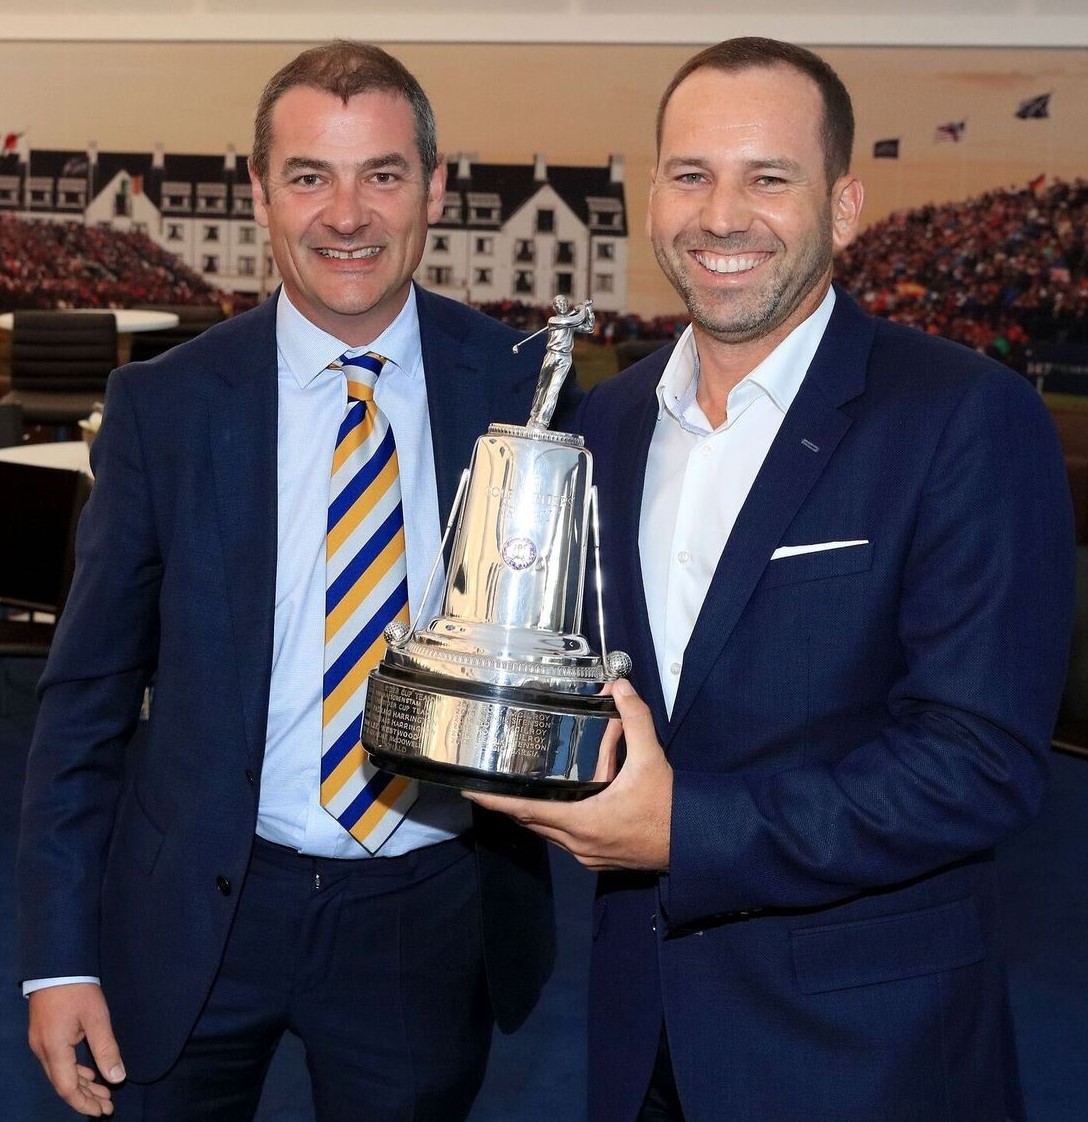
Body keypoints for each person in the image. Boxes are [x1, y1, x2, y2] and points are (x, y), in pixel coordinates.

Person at [467, 37, 1076, 1121]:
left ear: (842, 208)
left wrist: (684, 830)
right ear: (653, 197)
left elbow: (979, 761)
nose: (721, 216)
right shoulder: (607, 422)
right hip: (637, 1033)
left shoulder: (964, 417)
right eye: (691, 175)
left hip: (861, 1056)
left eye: (768, 178)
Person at [18, 40, 567, 1121]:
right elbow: (85, 699)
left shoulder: (522, 390)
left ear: (434, 188)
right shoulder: (166, 408)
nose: (346, 215)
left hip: (424, 910)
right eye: (310, 175)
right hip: (196, 904)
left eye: (382, 174)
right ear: (261, 191)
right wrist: (57, 956)